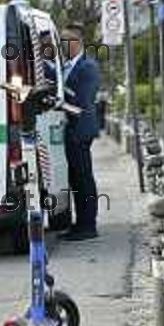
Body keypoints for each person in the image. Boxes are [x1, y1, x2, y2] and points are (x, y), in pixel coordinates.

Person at [59, 24, 101, 241]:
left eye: (65, 41)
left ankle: (88, 225)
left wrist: (59, 101)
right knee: (75, 178)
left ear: (75, 42)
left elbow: (82, 101)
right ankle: (80, 223)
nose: (61, 45)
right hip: (72, 128)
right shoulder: (68, 66)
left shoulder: (87, 67)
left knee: (83, 178)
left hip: (80, 129)